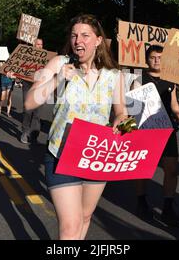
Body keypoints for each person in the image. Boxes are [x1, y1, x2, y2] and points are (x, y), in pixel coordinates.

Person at [24, 14, 128, 240]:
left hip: (96, 154)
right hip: (61, 155)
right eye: (74, 35)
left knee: (84, 217)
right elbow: (30, 102)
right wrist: (58, 79)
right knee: (70, 228)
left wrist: (121, 122)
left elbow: (121, 113)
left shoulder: (114, 75)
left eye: (85, 35)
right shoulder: (59, 63)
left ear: (98, 40)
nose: (78, 40)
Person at [134, 45, 179, 226]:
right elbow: (131, 103)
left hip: (166, 130)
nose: (157, 60)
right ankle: (141, 201)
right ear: (147, 59)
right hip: (144, 129)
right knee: (144, 169)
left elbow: (174, 106)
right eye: (153, 57)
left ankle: (168, 207)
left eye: (160, 57)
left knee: (172, 169)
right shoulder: (138, 77)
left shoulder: (170, 79)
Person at [20, 38, 44, 144]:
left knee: (37, 113)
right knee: (28, 110)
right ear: (33, 45)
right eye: (37, 44)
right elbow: (19, 67)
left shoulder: (46, 57)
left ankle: (34, 133)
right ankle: (25, 132)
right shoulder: (27, 56)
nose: (39, 46)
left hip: (41, 87)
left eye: (41, 44)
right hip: (27, 85)